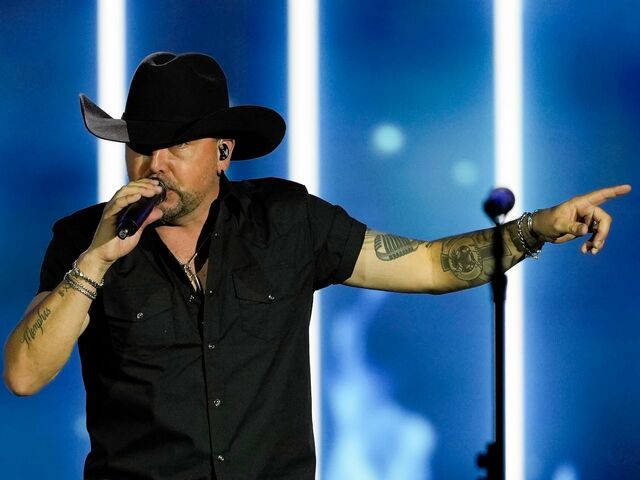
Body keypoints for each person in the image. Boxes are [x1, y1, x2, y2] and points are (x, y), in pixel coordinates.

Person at [2, 52, 631, 480]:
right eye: (142, 145)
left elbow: (430, 265)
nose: (153, 164)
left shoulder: (287, 221)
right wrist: (97, 259)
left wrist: (536, 228)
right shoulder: (82, 240)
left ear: (223, 152)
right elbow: (24, 376)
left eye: (178, 144)